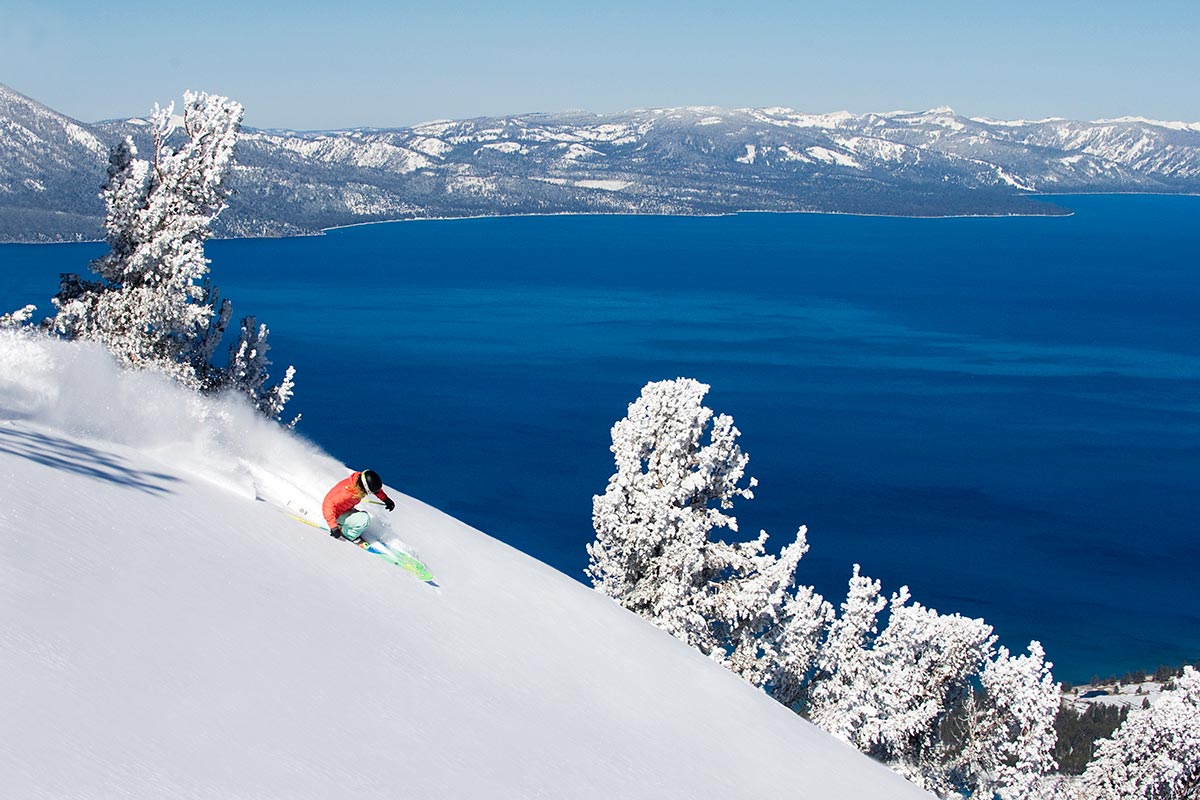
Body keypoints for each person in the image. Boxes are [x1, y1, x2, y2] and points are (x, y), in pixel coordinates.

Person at [322, 469, 395, 546]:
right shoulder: (347, 492)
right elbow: (328, 504)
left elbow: (375, 489)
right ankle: (347, 534)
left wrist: (386, 499)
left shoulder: (358, 481)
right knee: (363, 519)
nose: (366, 494)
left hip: (343, 510)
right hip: (334, 514)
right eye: (367, 492)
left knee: (362, 516)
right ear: (364, 488)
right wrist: (333, 527)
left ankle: (344, 524)